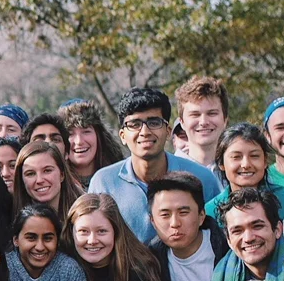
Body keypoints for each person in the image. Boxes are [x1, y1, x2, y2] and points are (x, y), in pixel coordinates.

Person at [88, 87, 223, 241]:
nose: (144, 131)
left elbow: (218, 238)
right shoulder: (104, 183)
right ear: (123, 135)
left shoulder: (202, 178)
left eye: (154, 122)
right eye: (134, 124)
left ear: (168, 131)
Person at [147, 174, 226, 281]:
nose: (175, 223)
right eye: (165, 215)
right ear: (153, 221)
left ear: (201, 215)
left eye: (183, 212)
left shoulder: (227, 251)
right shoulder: (151, 262)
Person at [65, 192, 165, 281]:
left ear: (116, 232)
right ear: (71, 233)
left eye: (102, 231)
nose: (92, 240)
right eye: (83, 231)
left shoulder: (138, 273)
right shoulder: (64, 269)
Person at [205, 124, 284, 225]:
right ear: (221, 163)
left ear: (265, 161)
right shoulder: (209, 213)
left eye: (254, 156)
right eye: (236, 157)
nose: (246, 164)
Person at [10, 139, 83, 217]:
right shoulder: (9, 218)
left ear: (62, 174)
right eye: (30, 174)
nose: (39, 180)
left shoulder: (86, 213)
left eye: (47, 171)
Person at [60, 100, 124, 187]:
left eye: (86, 131)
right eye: (70, 134)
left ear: (99, 136)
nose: (79, 141)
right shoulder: (55, 186)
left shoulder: (121, 177)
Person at [173, 75, 229, 169]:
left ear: (225, 120)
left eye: (212, 113)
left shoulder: (237, 172)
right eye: (195, 114)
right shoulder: (166, 172)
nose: (203, 122)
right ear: (182, 122)